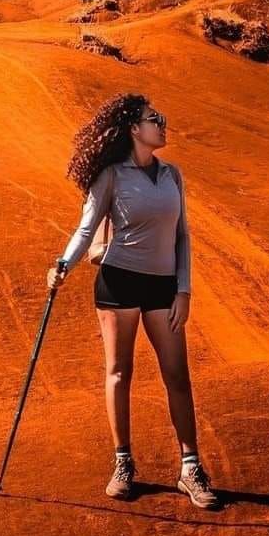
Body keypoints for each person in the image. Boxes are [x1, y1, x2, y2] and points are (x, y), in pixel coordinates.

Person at [46, 92, 222, 510]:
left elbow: (182, 236)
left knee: (177, 376)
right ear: (133, 130)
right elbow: (86, 229)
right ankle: (123, 462)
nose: (162, 123)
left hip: (162, 287)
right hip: (119, 282)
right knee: (119, 372)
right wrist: (62, 265)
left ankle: (190, 467)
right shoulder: (111, 176)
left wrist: (184, 290)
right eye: (153, 118)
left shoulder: (172, 176)